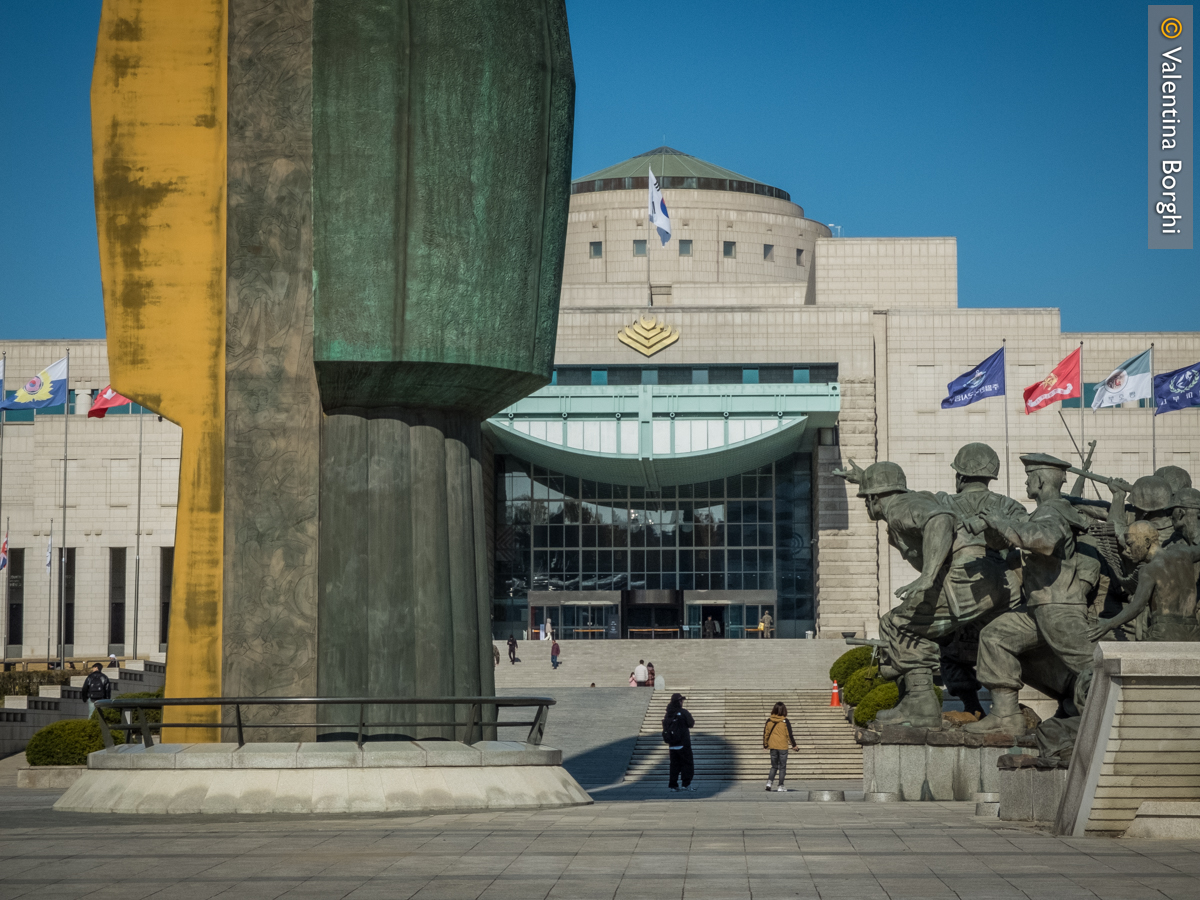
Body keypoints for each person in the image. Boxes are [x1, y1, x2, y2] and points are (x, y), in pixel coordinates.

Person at [833, 454, 1014, 730]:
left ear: (873, 498)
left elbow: (939, 519)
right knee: (935, 638)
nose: (866, 505)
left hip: (965, 579)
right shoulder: (908, 501)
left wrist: (928, 576)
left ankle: (921, 704)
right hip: (986, 578)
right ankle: (922, 700)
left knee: (896, 625)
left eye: (866, 497)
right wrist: (866, 478)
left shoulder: (898, 507)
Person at [967, 454, 1100, 735]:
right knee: (995, 637)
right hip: (1039, 607)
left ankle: (1108, 714)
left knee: (1092, 665)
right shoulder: (1043, 513)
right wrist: (991, 527)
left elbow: (1045, 540)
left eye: (1029, 477)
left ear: (1039, 481)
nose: (1027, 482)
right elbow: (1020, 536)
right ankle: (1005, 716)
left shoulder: (1053, 511)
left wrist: (1001, 522)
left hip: (1060, 607)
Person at [1089, 521, 1200, 642]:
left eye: (1130, 544)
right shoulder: (1184, 553)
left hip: (1164, 633)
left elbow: (1137, 606)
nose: (1127, 550)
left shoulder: (1149, 570)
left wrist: (1109, 623)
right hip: (1194, 633)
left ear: (1147, 542)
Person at [662, 693, 696, 792]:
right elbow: (691, 723)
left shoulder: (668, 714)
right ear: (680, 702)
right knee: (687, 764)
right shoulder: (683, 712)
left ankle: (673, 785)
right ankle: (686, 784)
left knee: (674, 766)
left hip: (672, 744)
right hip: (683, 743)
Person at [763, 701, 799, 791]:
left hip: (773, 747)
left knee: (774, 766)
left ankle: (769, 783)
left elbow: (765, 734)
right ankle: (780, 786)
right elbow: (789, 735)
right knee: (782, 767)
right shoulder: (785, 721)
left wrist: (765, 745)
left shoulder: (769, 721)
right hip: (783, 747)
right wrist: (794, 745)